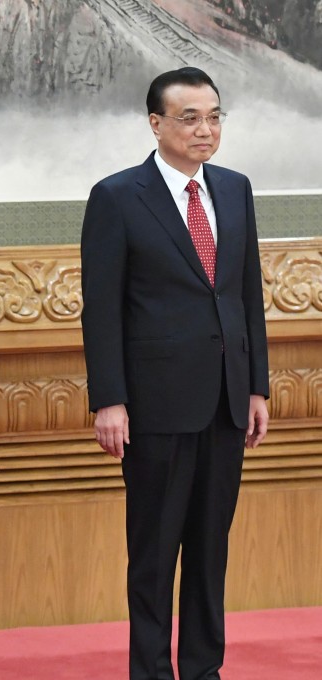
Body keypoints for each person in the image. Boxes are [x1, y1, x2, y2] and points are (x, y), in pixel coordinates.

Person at [80, 66, 269, 680]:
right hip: (154, 405)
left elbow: (245, 294)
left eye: (214, 117)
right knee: (155, 555)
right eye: (190, 118)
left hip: (226, 400)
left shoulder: (235, 189)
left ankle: (204, 670)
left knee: (211, 551)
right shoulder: (117, 196)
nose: (204, 129)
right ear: (156, 123)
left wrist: (256, 385)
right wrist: (109, 399)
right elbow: (101, 308)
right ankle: (152, 671)